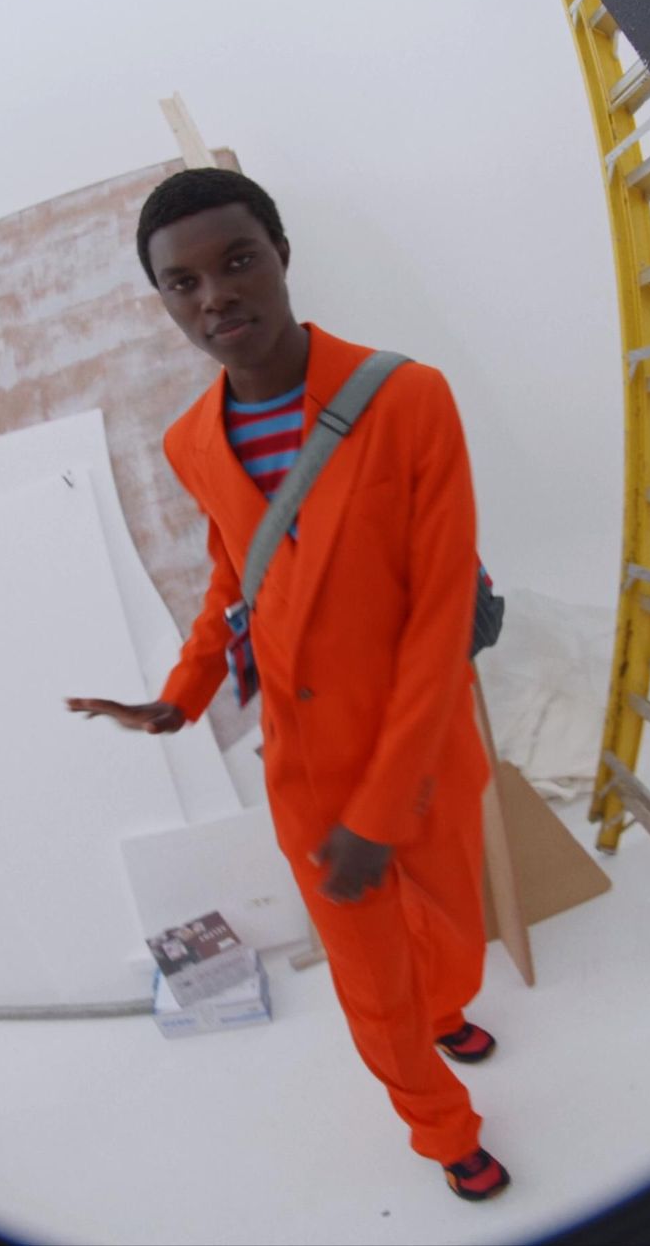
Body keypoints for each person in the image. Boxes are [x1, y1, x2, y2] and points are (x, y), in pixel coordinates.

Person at [67, 168, 510, 1202]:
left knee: (450, 929)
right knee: (367, 978)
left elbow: (444, 609)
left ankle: (445, 1005)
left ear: (280, 257)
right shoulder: (188, 441)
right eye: (179, 284)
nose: (212, 297)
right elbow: (234, 577)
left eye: (235, 262)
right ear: (165, 302)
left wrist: (385, 807)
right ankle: (442, 1130)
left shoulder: (408, 396)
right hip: (307, 768)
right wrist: (182, 692)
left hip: (425, 747)